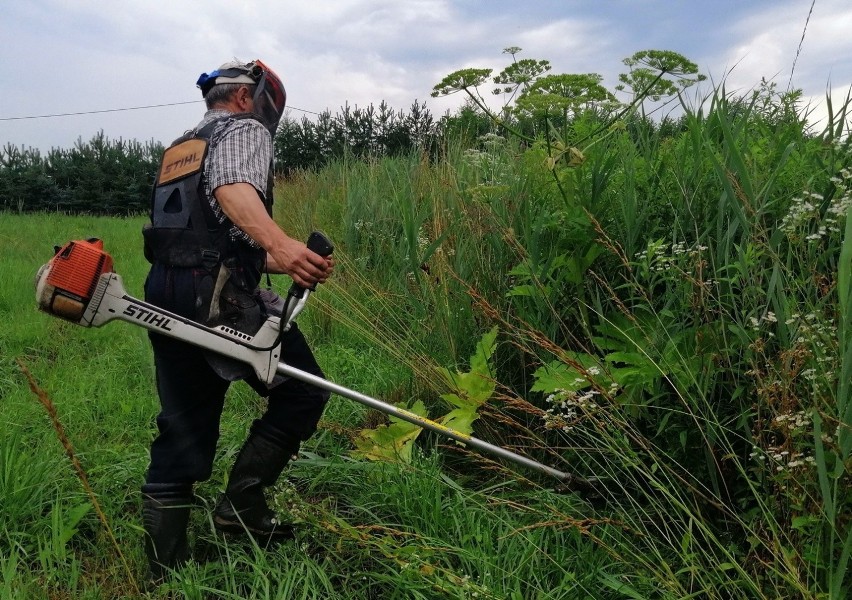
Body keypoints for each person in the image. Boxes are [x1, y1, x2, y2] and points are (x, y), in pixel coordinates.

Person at [139, 59, 334, 581]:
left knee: (184, 418)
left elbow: (208, 238)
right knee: (304, 390)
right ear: (248, 99)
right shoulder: (243, 129)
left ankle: (165, 570)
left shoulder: (182, 146)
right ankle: (241, 505)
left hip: (167, 288)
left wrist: (283, 259)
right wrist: (286, 246)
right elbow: (232, 191)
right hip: (216, 296)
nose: (268, 116)